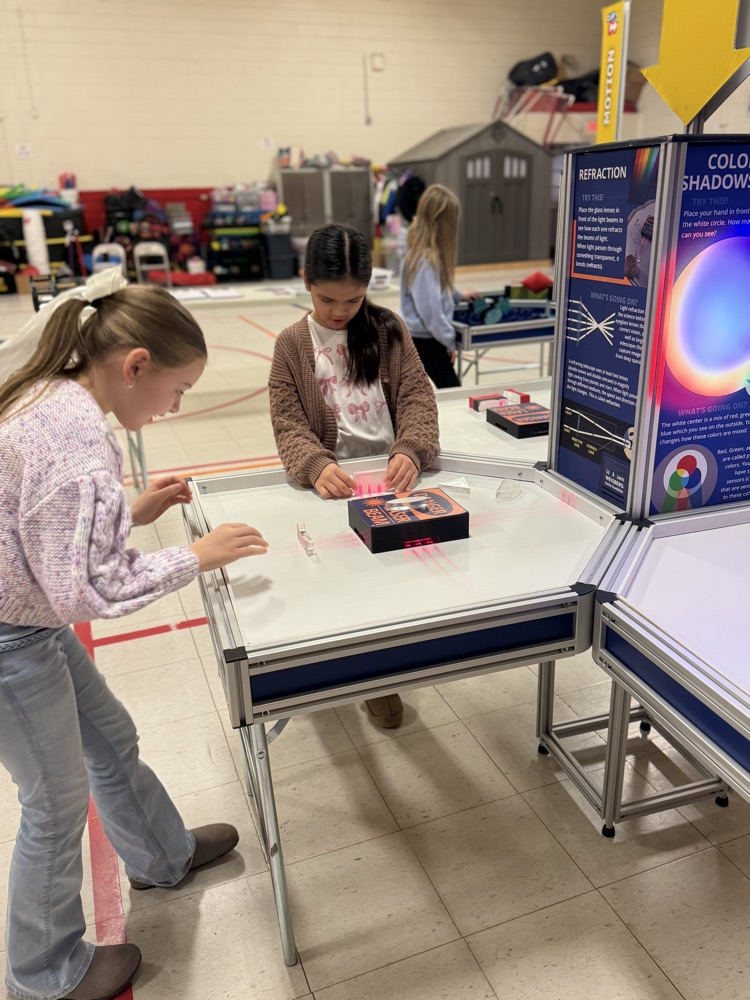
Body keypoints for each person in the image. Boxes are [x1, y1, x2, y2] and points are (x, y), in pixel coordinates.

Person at [0, 282, 268, 1000]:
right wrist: (197, 556)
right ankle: (45, 974)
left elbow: (47, 529)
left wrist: (131, 509)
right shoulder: (75, 441)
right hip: (11, 635)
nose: (174, 408)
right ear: (137, 364)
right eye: (177, 390)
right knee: (54, 802)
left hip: (27, 616)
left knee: (110, 738)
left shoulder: (62, 396)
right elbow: (89, 591)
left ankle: (161, 855)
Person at [268, 223, 439, 729]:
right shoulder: (291, 344)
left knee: (390, 587)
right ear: (305, 283)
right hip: (331, 487)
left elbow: (416, 395)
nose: (340, 312)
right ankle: (349, 669)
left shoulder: (388, 329)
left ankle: (380, 674)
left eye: (353, 300)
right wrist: (315, 463)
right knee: (340, 587)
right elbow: (287, 421)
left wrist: (411, 446)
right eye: (327, 300)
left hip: (390, 479)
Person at [400, 183, 474, 389]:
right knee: (453, 392)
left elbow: (437, 291)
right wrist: (449, 341)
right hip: (424, 341)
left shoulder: (427, 255)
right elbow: (430, 312)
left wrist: (458, 295)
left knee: (450, 389)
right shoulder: (424, 261)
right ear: (441, 223)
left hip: (426, 338)